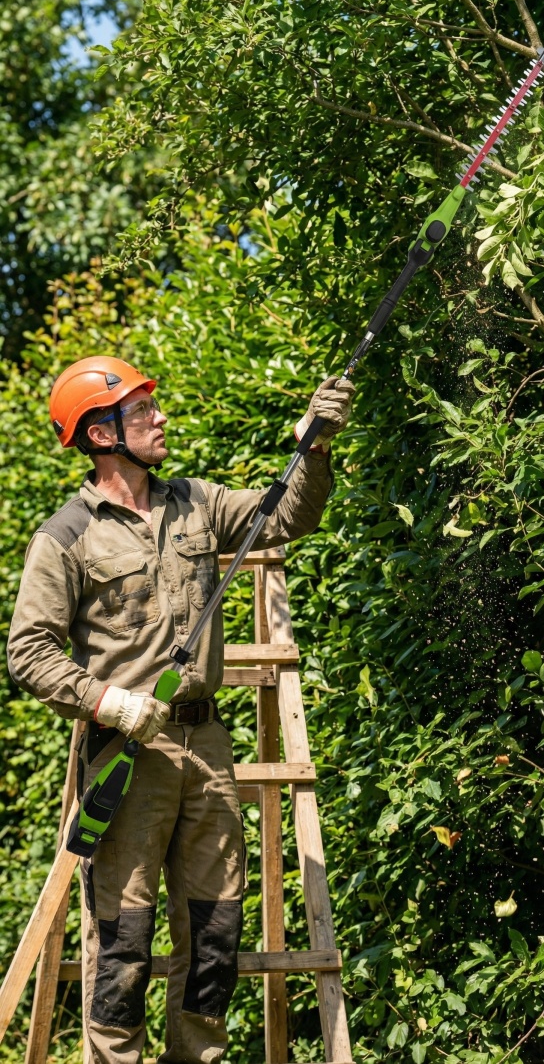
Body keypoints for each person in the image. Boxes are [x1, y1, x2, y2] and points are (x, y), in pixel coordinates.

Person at [7, 355, 355, 1064]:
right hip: (126, 753)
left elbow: (286, 515)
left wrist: (312, 445)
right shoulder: (65, 536)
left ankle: (197, 1056)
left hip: (209, 747)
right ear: (101, 434)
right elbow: (28, 652)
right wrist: (106, 698)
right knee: (124, 939)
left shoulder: (195, 501)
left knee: (216, 930)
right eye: (140, 412)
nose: (159, 418)